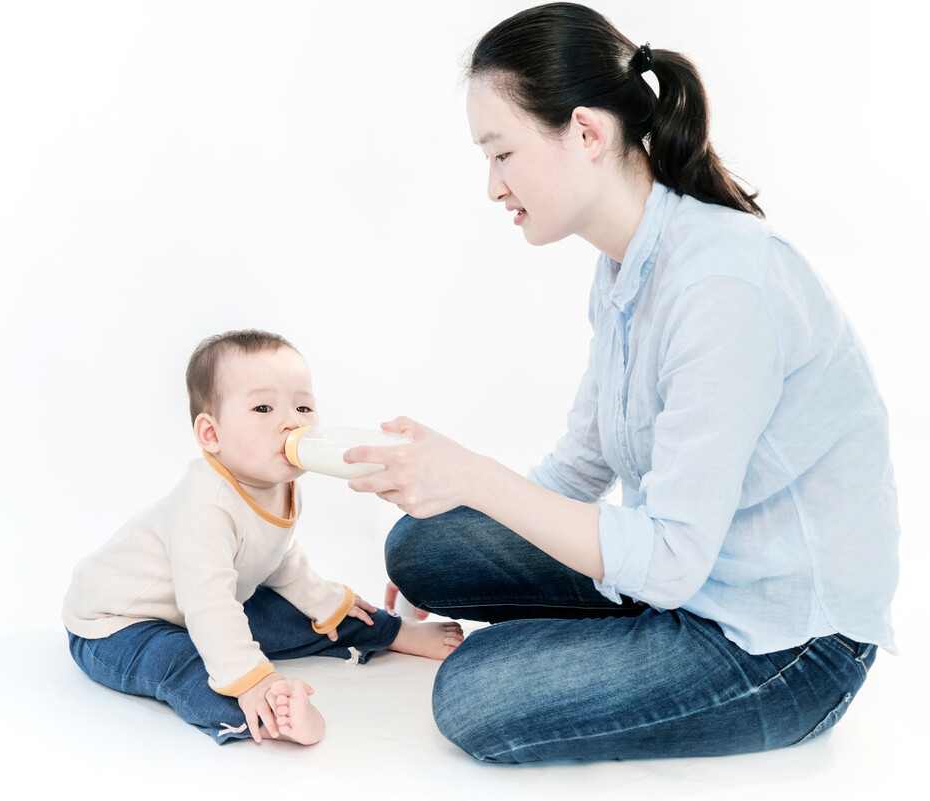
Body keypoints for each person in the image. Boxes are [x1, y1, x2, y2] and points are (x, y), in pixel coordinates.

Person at [346, 2, 898, 763]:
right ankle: (620, 644)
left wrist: (468, 473)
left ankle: (628, 652)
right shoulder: (626, 268)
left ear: (586, 132)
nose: (492, 186)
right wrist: (457, 504)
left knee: (473, 692)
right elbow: (581, 464)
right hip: (688, 578)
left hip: (785, 645)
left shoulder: (724, 286)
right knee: (421, 544)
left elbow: (670, 559)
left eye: (501, 153)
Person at [62, 329, 464, 746]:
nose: (291, 422)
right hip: (117, 625)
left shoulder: (277, 483)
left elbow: (278, 555)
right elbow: (207, 603)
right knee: (188, 664)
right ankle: (273, 710)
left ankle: (390, 633)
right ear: (211, 435)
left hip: (211, 600)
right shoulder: (205, 505)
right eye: (263, 407)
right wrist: (252, 679)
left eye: (303, 406)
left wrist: (328, 603)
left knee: (298, 611)